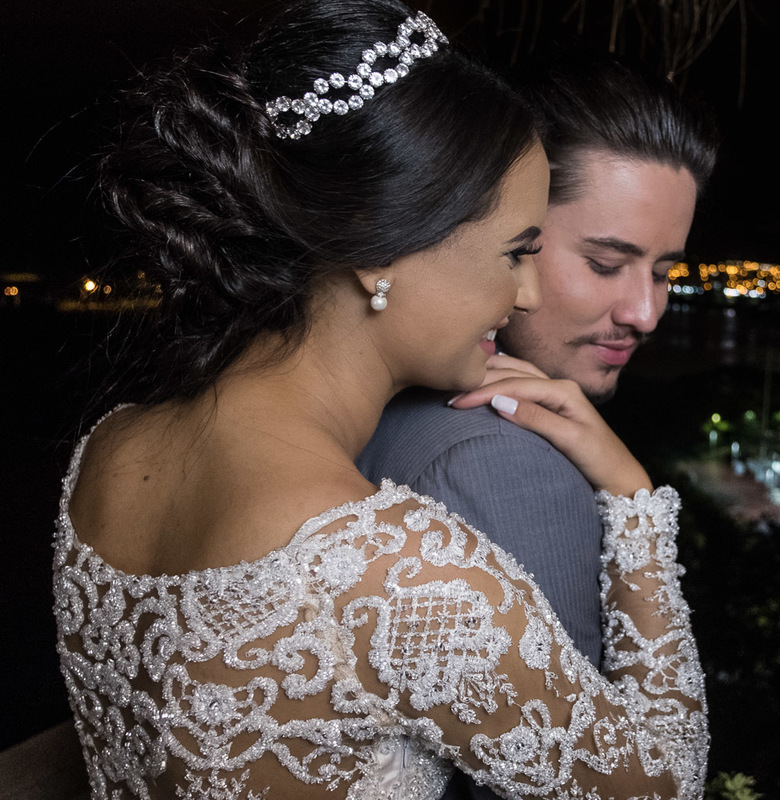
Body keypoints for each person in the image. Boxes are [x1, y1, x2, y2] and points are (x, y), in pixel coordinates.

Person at [51, 2, 706, 798]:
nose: (525, 290)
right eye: (514, 252)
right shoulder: (398, 572)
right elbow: (661, 784)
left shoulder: (111, 450)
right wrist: (634, 504)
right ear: (377, 246)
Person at [357, 60, 717, 742]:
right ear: (502, 225)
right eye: (606, 264)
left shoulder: (365, 395)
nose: (645, 312)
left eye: (665, 273)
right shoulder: (504, 464)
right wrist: (631, 495)